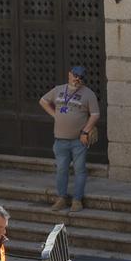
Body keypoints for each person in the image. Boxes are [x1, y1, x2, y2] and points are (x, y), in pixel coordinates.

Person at [39, 64, 100, 212]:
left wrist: (86, 131)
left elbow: (95, 114)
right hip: (60, 139)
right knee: (61, 169)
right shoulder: (59, 90)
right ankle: (61, 198)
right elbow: (43, 101)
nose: (77, 79)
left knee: (80, 170)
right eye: (75, 75)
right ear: (69, 74)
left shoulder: (88, 94)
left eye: (80, 77)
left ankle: (77, 200)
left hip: (78, 140)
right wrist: (55, 115)